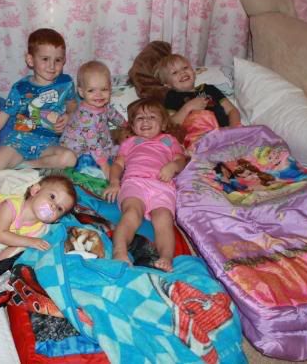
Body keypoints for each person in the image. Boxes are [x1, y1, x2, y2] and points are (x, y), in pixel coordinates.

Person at [0, 28, 78, 176]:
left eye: (57, 60)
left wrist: (69, 116)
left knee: (70, 159)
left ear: (64, 60)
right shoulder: (20, 88)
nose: (52, 66)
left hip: (49, 145)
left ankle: (25, 166)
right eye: (45, 59)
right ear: (30, 60)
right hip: (19, 142)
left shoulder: (66, 82)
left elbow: (72, 105)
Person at [103, 98, 187, 272]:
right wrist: (114, 182)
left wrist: (173, 166)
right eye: (140, 118)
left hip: (162, 185)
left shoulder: (169, 140)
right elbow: (118, 164)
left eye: (152, 117)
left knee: (164, 218)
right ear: (133, 126)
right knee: (132, 213)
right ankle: (119, 251)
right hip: (135, 181)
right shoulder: (131, 142)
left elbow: (181, 160)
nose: (146, 121)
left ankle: (166, 258)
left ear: (163, 124)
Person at [0, 174, 77, 262]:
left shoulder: (38, 230)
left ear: (56, 219)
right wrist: (31, 241)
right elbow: (1, 235)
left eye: (59, 208)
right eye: (52, 197)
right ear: (36, 191)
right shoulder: (11, 206)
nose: (53, 206)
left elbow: (18, 246)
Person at [154, 54, 241, 150]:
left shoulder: (209, 89)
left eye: (185, 68)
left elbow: (232, 110)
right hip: (198, 139)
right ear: (167, 84)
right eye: (174, 72)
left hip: (225, 134)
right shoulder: (172, 97)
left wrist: (233, 129)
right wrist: (188, 107)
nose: (182, 72)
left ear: (193, 72)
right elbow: (171, 124)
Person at [60, 60, 126, 179]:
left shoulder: (105, 106)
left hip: (100, 144)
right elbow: (93, 144)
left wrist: (127, 125)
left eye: (104, 89)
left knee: (120, 152)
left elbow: (114, 115)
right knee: (93, 172)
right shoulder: (85, 116)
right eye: (91, 90)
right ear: (81, 92)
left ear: (110, 88)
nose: (98, 95)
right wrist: (104, 165)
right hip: (79, 150)